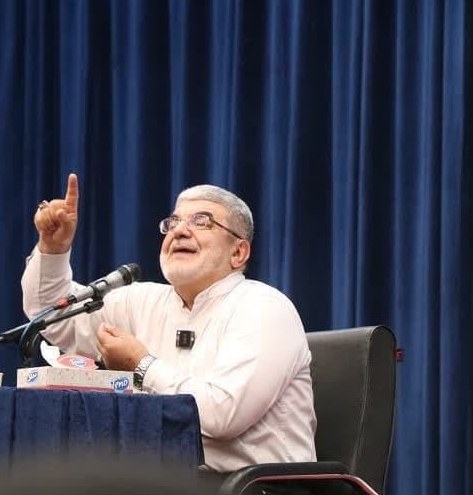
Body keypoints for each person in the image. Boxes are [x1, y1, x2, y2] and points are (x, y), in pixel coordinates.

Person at [21, 174, 317, 475]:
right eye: (173, 222)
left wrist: (142, 365)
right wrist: (53, 249)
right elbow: (51, 317)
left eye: (201, 222)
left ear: (238, 252)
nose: (180, 231)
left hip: (256, 488)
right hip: (163, 483)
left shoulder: (263, 307)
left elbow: (222, 416)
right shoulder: (141, 301)